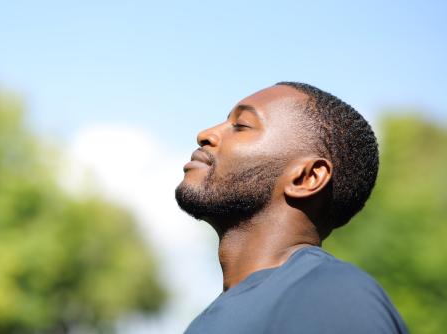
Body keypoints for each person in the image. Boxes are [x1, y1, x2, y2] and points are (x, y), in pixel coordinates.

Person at [175, 82, 408, 333]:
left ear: (306, 178)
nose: (205, 134)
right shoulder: (203, 323)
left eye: (241, 125)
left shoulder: (334, 297)